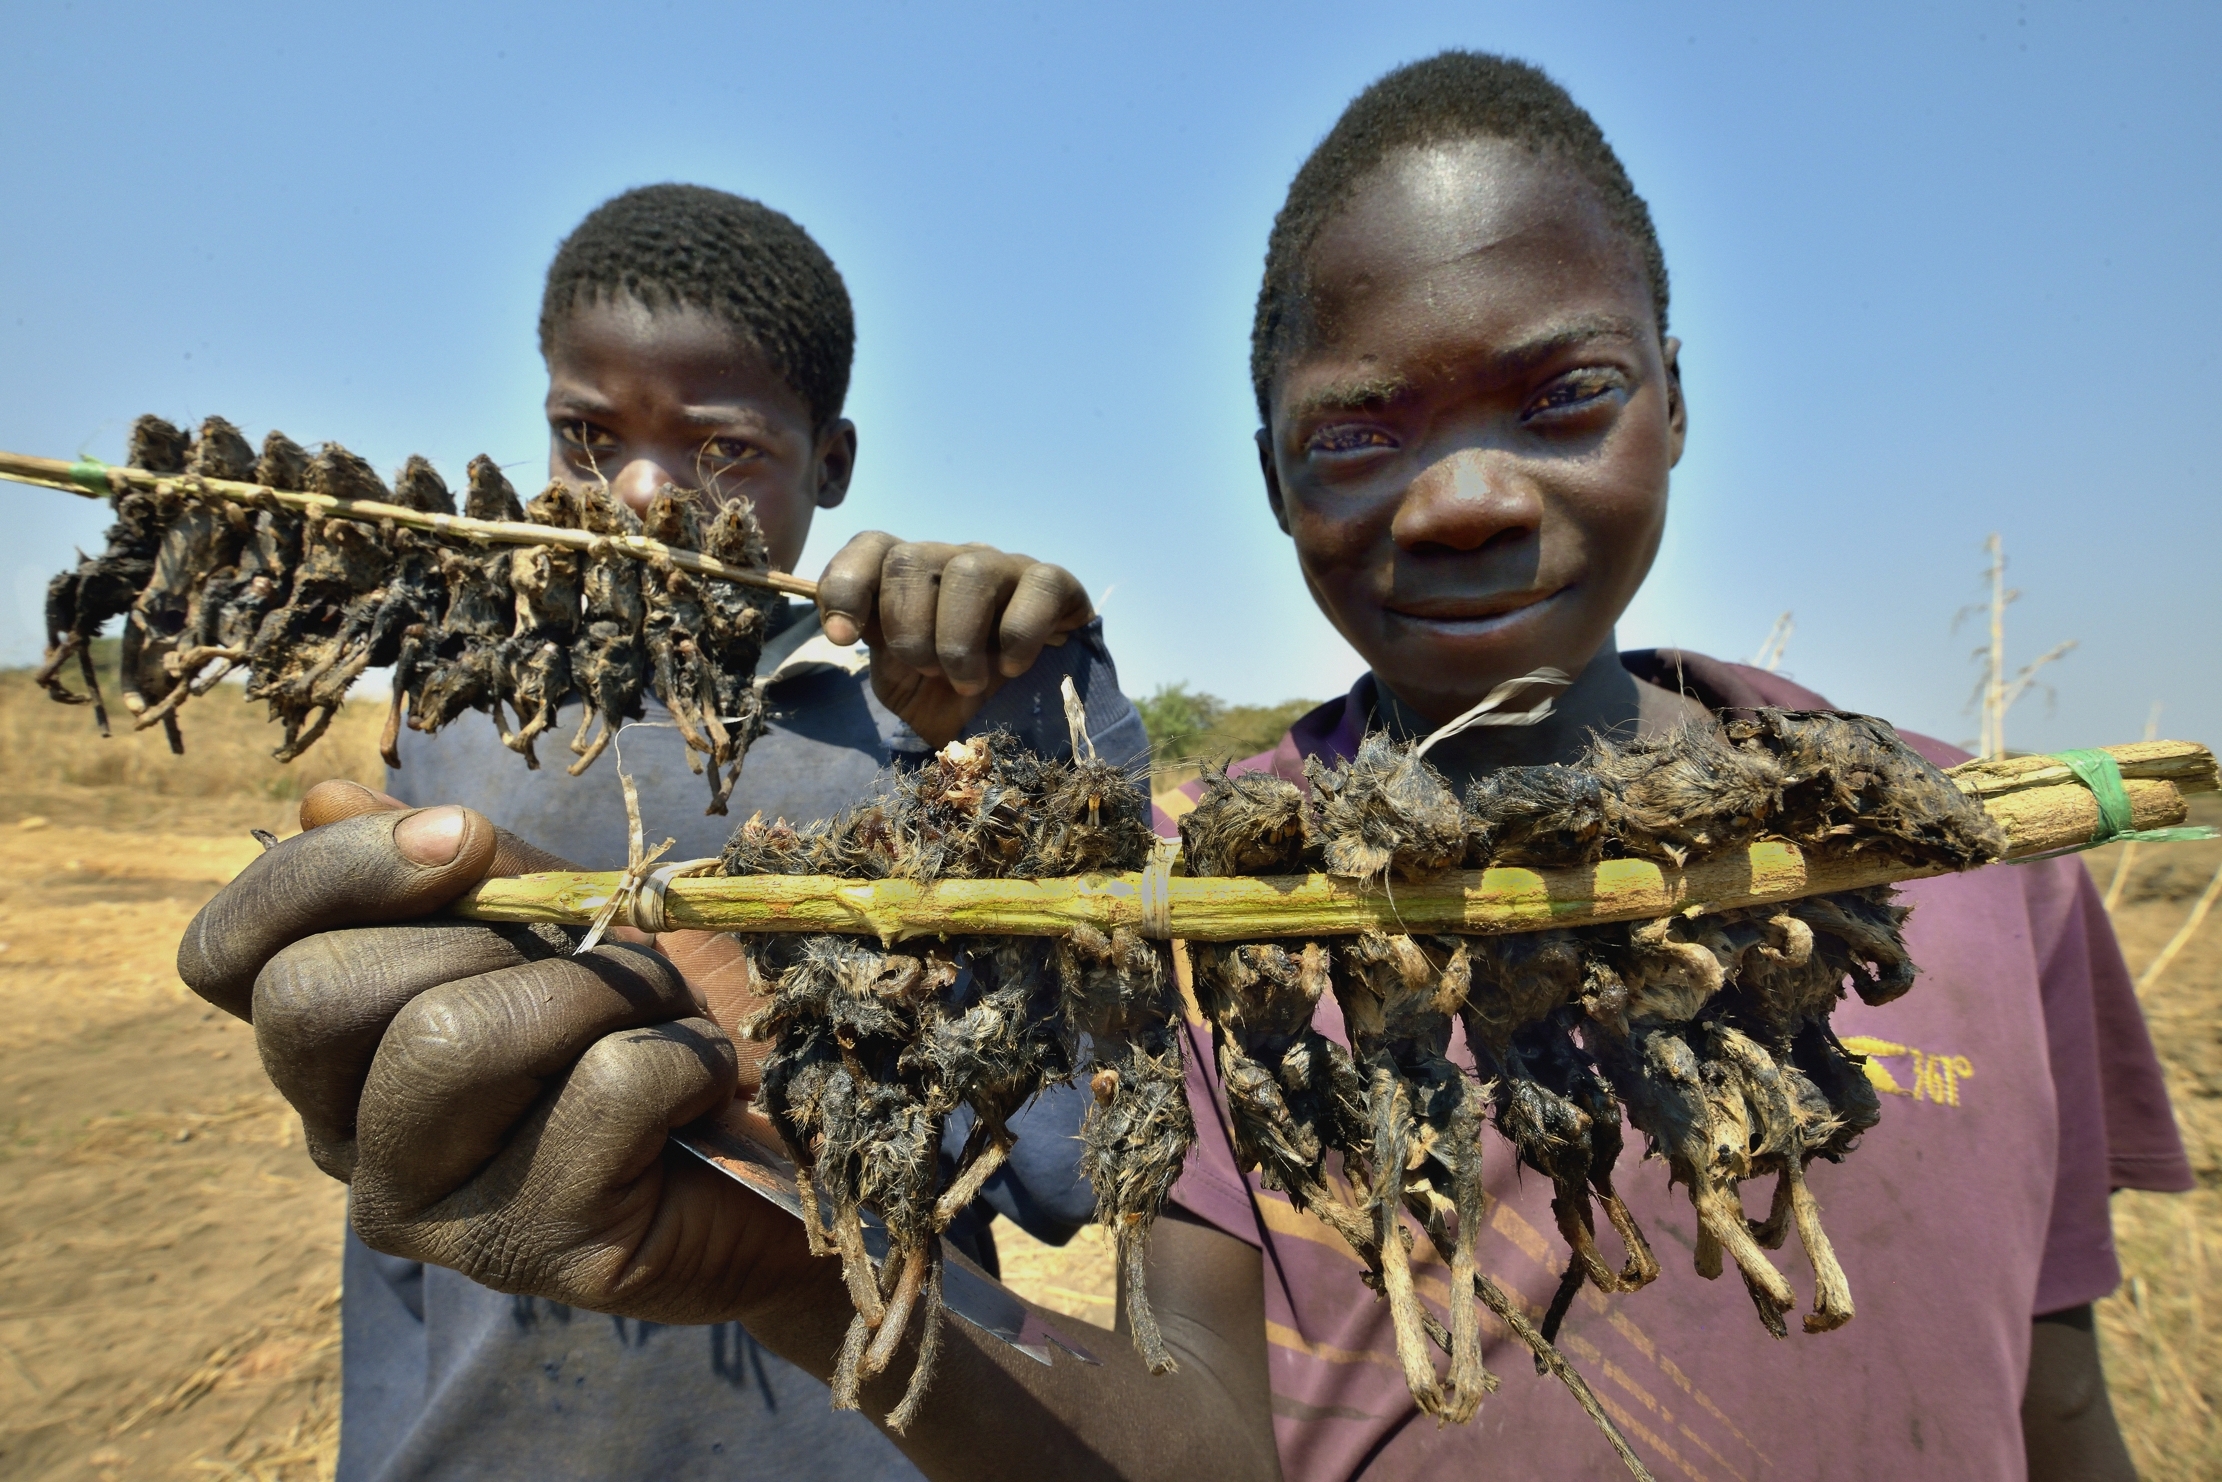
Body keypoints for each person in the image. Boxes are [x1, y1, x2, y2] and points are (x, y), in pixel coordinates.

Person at [177, 54, 2194, 1482]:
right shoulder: (1193, 903)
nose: (1473, 493)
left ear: (1675, 401)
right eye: (1360, 427)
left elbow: (2060, 1401)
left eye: (1563, 396)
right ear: (1273, 480)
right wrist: (792, 1270)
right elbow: (1161, 1397)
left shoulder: (1959, 851)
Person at [326, 183, 1150, 1480]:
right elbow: (392, 1187)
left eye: (721, 451)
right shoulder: (466, 722)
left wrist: (1047, 722)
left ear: (830, 463)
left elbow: (1062, 1170)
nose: (642, 494)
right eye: (586, 437)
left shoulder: (928, 734)